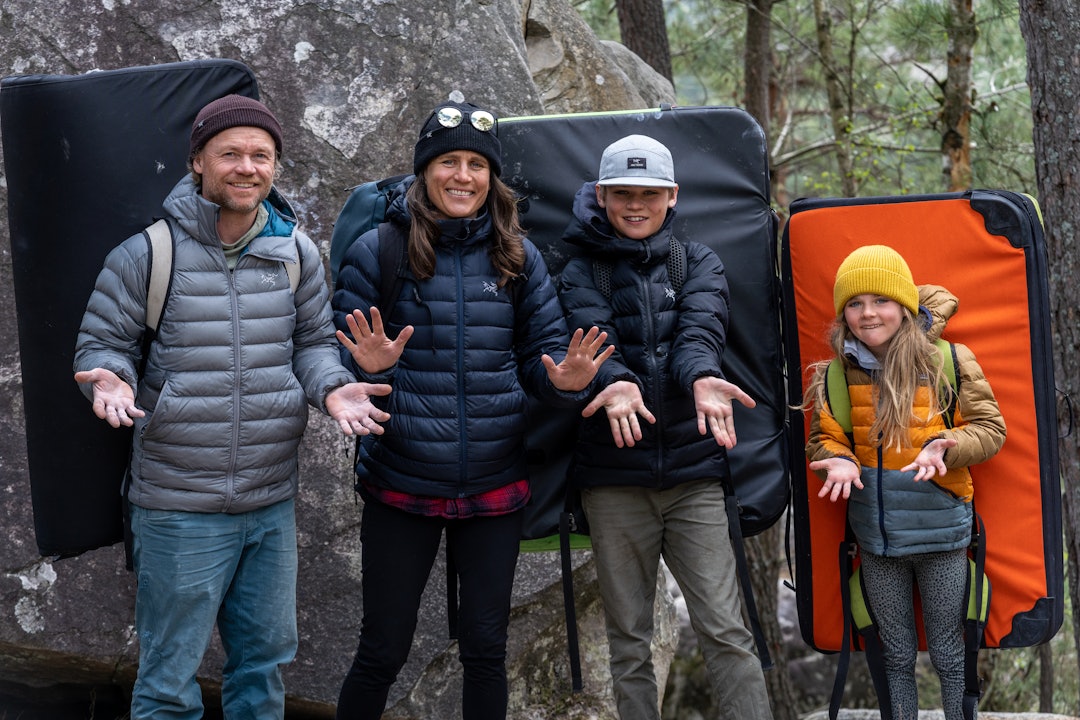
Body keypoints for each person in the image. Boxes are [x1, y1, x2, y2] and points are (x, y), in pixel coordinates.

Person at [73, 94, 392, 719]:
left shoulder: (295, 253)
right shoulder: (148, 254)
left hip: (269, 502)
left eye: (261, 156)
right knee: (168, 682)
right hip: (177, 505)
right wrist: (109, 379)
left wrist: (332, 386)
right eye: (231, 154)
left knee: (263, 671)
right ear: (198, 161)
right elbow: (103, 342)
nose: (247, 167)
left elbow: (312, 345)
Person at [331, 99, 612, 720]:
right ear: (424, 171)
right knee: (383, 649)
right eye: (448, 162)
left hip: (494, 482)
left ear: (492, 177)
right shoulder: (378, 250)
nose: (463, 176)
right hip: (401, 478)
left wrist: (565, 383)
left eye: (476, 165)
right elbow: (339, 358)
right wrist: (366, 370)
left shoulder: (519, 255)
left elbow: (542, 360)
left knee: (485, 650)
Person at [554, 134, 773, 720]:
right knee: (628, 641)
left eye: (648, 194)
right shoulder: (579, 270)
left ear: (672, 196)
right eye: (622, 193)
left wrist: (702, 375)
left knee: (726, 631)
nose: (635, 205)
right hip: (613, 481)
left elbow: (700, 332)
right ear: (600, 196)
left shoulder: (696, 262)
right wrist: (611, 383)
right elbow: (589, 336)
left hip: (694, 479)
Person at [804, 244, 1007, 720]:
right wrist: (838, 461)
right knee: (893, 658)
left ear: (904, 304)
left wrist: (947, 444)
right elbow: (824, 439)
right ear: (843, 313)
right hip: (877, 543)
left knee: (950, 657)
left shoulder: (947, 360)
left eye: (881, 301)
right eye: (854, 303)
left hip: (941, 537)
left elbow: (991, 429)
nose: (867, 313)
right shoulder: (835, 374)